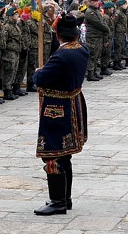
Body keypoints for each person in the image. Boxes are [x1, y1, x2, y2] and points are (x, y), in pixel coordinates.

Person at [29, 14, 89, 216]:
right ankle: (65, 197)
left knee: (53, 153)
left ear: (58, 35)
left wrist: (39, 72)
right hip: (73, 103)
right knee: (65, 154)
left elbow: (40, 78)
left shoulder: (61, 55)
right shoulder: (81, 49)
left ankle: (57, 201)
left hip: (58, 108)